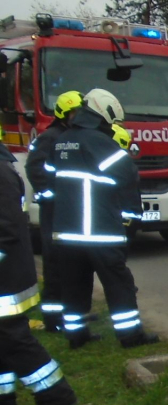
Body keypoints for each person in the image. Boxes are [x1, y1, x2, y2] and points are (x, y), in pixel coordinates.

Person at [49, 88, 159, 349]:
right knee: (119, 283)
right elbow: (126, 174)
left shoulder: (62, 140)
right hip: (99, 230)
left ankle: (76, 336)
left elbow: (51, 176)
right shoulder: (98, 141)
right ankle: (130, 336)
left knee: (74, 285)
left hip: (67, 230)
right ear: (104, 115)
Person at [0, 128, 79, 405]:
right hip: (8, 275)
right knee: (4, 340)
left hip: (6, 280)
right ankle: (4, 400)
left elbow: (5, 230)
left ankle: (55, 395)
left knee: (14, 338)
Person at [24, 90, 83, 332]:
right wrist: (52, 196)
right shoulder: (49, 138)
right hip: (54, 211)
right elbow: (34, 168)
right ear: (63, 114)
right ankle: (52, 319)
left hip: (69, 210)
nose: (77, 116)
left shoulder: (73, 136)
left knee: (71, 264)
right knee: (55, 264)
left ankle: (69, 316)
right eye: (73, 112)